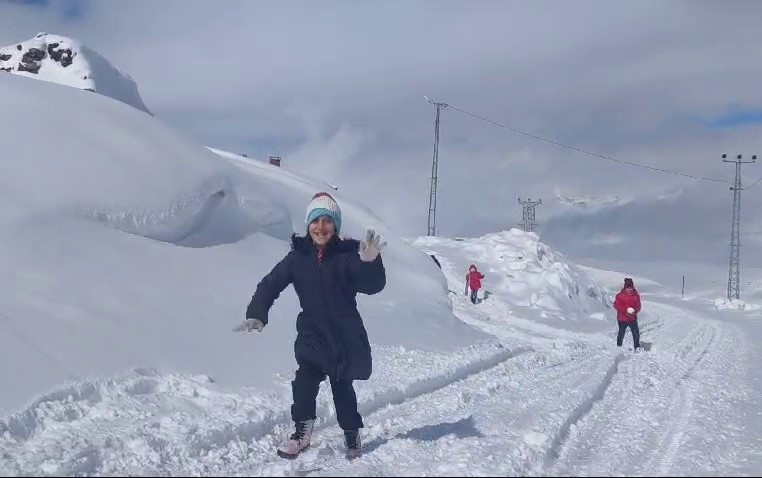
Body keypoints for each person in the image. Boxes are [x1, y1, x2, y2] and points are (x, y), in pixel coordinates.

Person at [234, 192, 386, 460]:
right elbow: (270, 284)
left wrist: (370, 263)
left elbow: (373, 286)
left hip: (343, 335)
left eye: (327, 221)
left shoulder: (348, 256)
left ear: (335, 226)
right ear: (308, 224)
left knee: (342, 389)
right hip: (312, 334)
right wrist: (257, 313)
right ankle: (301, 432)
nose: (321, 227)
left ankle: (351, 432)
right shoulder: (298, 258)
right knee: (303, 383)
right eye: (315, 220)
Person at [613, 277, 641, 351]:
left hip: (632, 318)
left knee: (636, 333)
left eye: (630, 288)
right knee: (621, 333)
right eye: (628, 288)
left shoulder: (636, 296)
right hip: (622, 318)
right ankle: (618, 347)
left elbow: (638, 306)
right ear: (625, 288)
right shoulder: (620, 296)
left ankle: (637, 347)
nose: (629, 289)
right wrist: (625, 311)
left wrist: (635, 311)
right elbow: (616, 305)